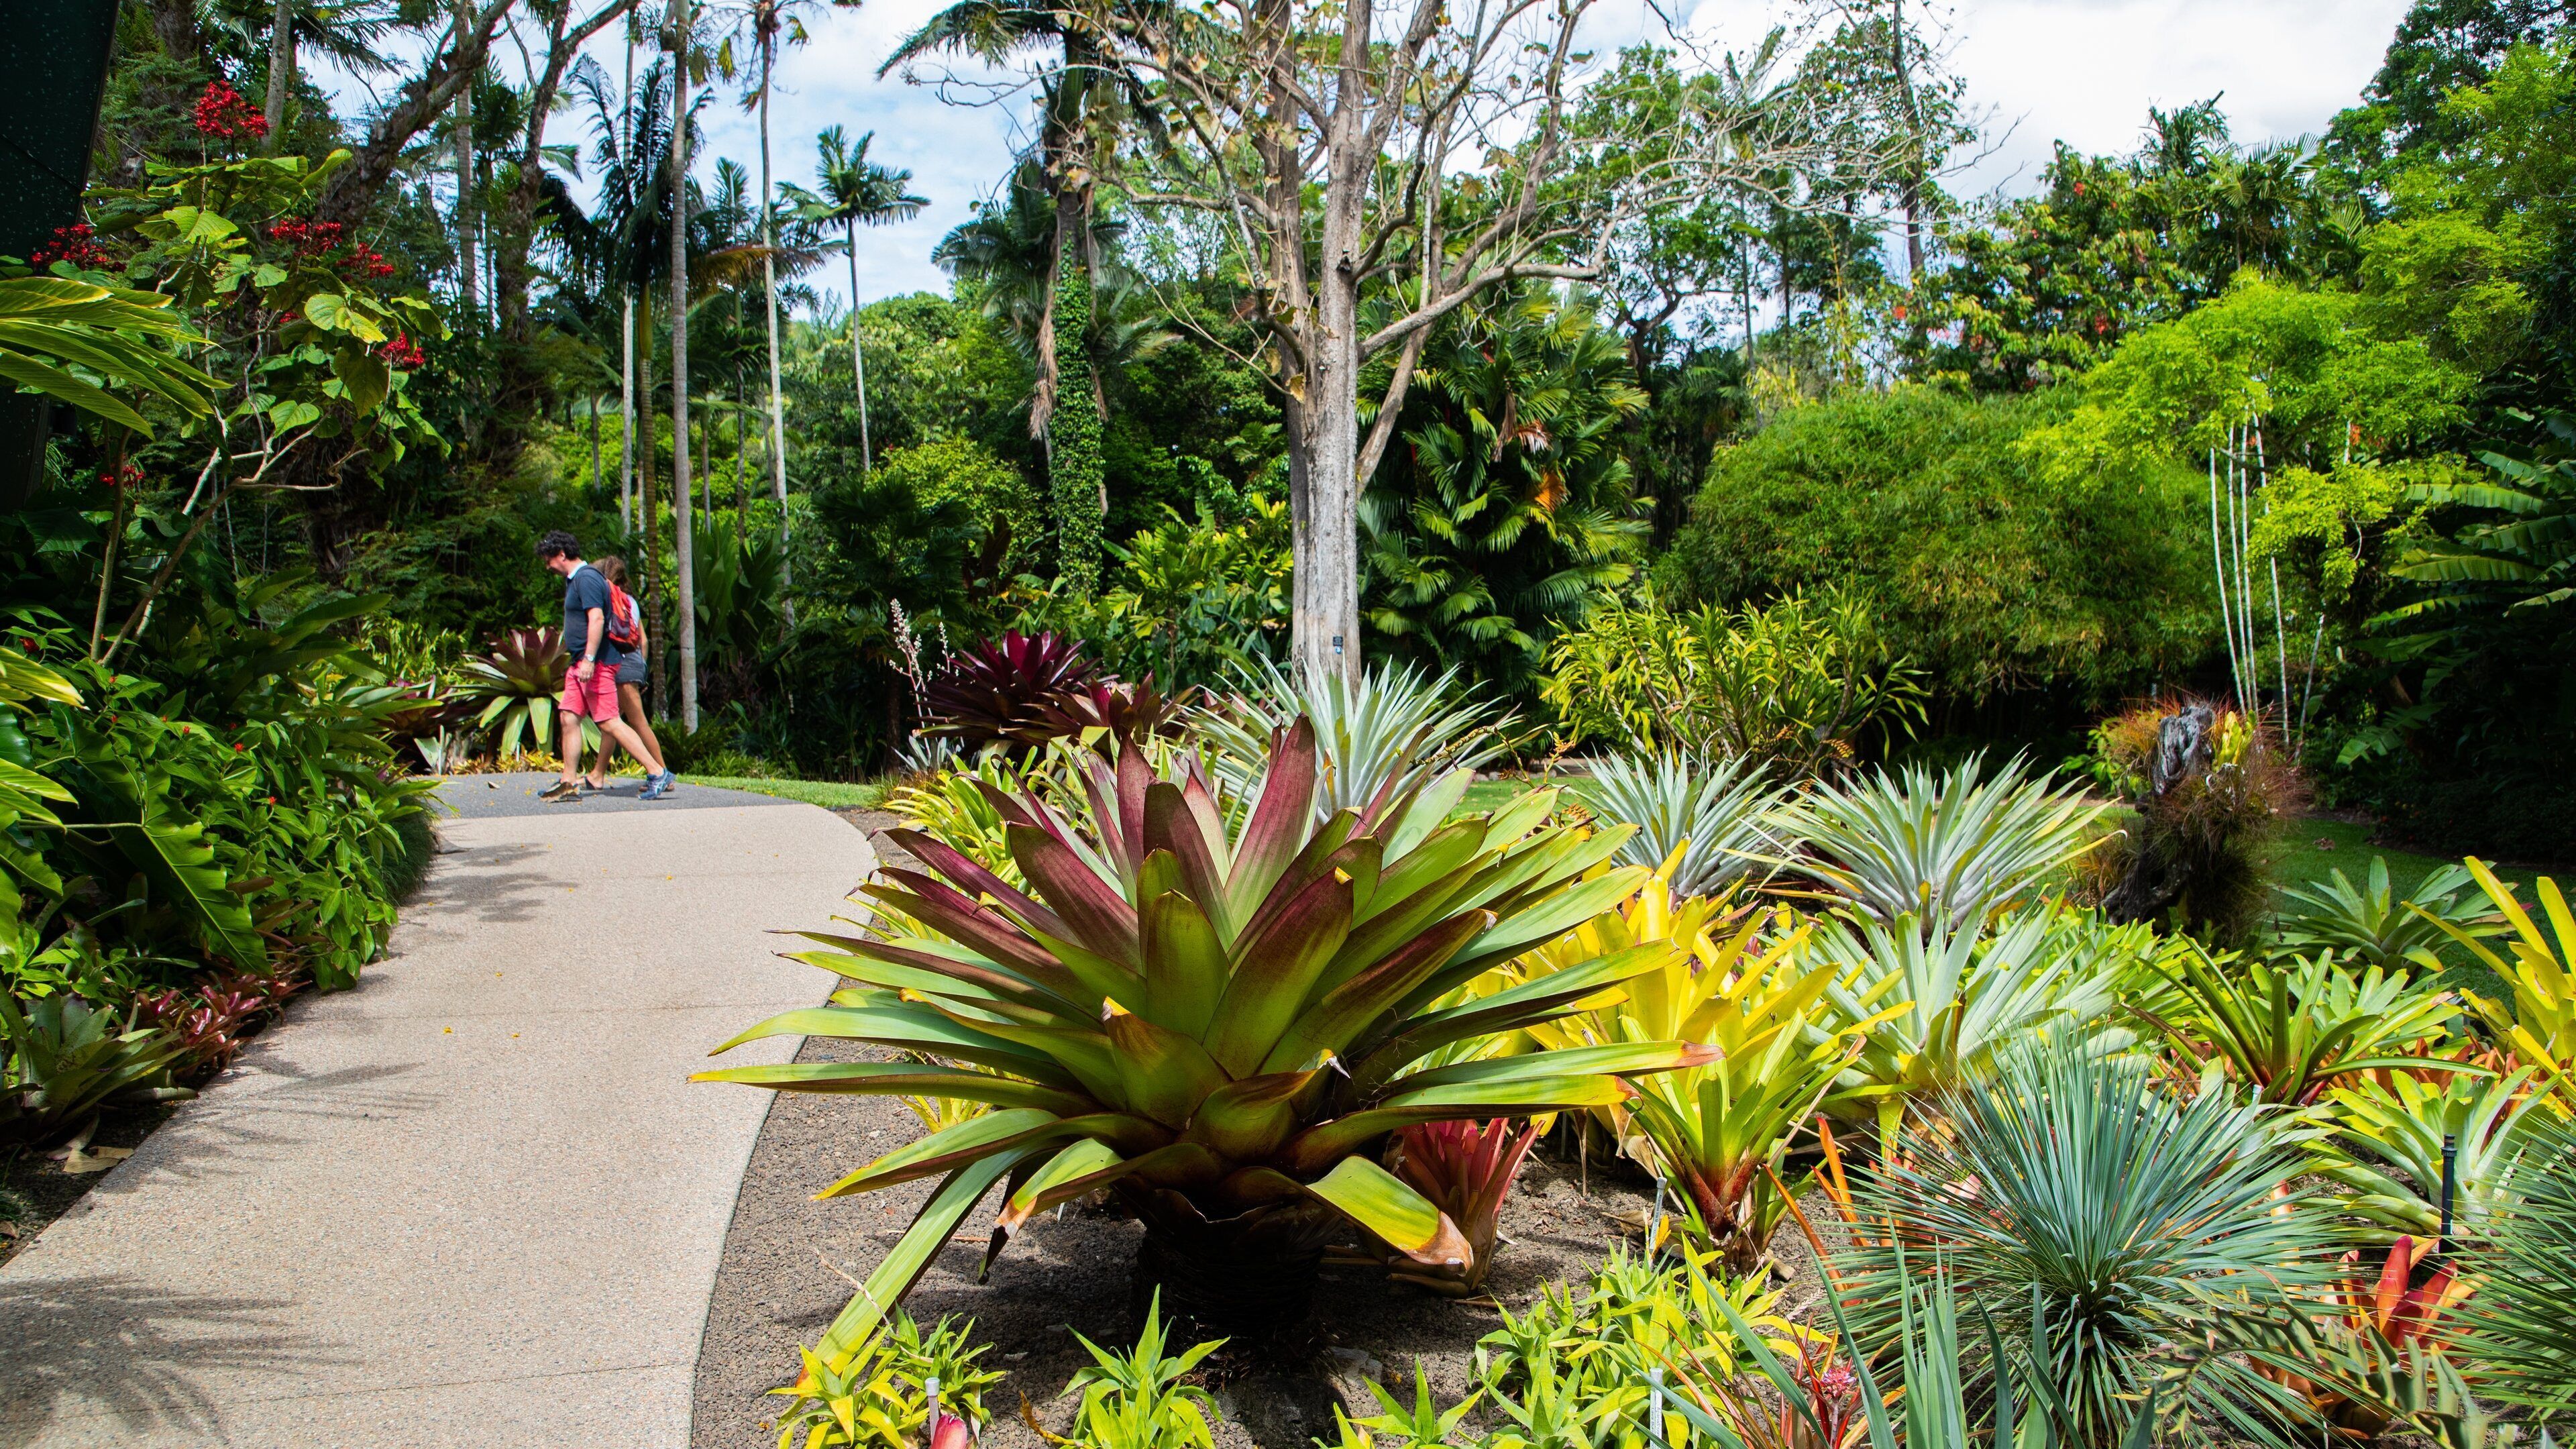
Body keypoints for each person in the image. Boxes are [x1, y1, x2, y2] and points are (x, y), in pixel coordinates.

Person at [533, 531, 669, 802]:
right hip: (579, 664)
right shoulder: (575, 581)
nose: (547, 565)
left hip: (597, 664)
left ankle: (657, 771)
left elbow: (596, 620)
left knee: (609, 722)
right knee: (568, 717)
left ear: (562, 554)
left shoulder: (587, 579)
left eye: (548, 559)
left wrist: (590, 660)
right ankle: (568, 783)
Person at [580, 555, 676, 796]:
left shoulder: (607, 597)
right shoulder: (630, 601)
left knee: (636, 721)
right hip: (633, 660)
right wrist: (640, 669)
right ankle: (598, 774)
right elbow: (642, 640)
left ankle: (663, 772)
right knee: (612, 723)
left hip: (618, 660)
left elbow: (600, 627)